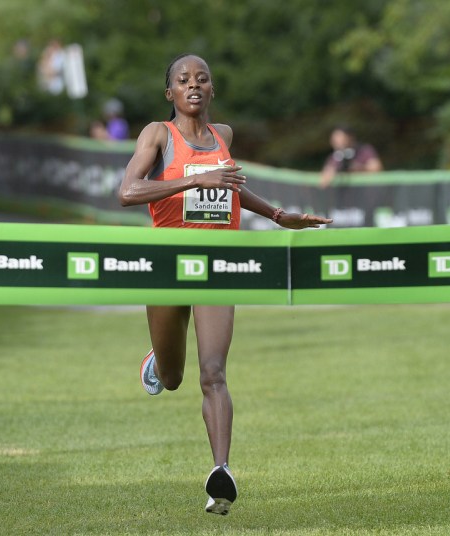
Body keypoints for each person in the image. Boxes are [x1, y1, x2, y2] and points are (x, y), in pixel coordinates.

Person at [117, 53, 333, 515]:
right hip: (168, 266)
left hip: (218, 265)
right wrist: (195, 182)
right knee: (173, 379)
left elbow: (232, 187)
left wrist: (278, 216)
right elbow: (128, 192)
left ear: (213, 90)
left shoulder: (224, 137)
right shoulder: (158, 134)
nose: (193, 85)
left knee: (213, 372)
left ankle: (221, 475)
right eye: (182, 79)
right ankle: (160, 355)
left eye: (202, 79)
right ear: (169, 92)